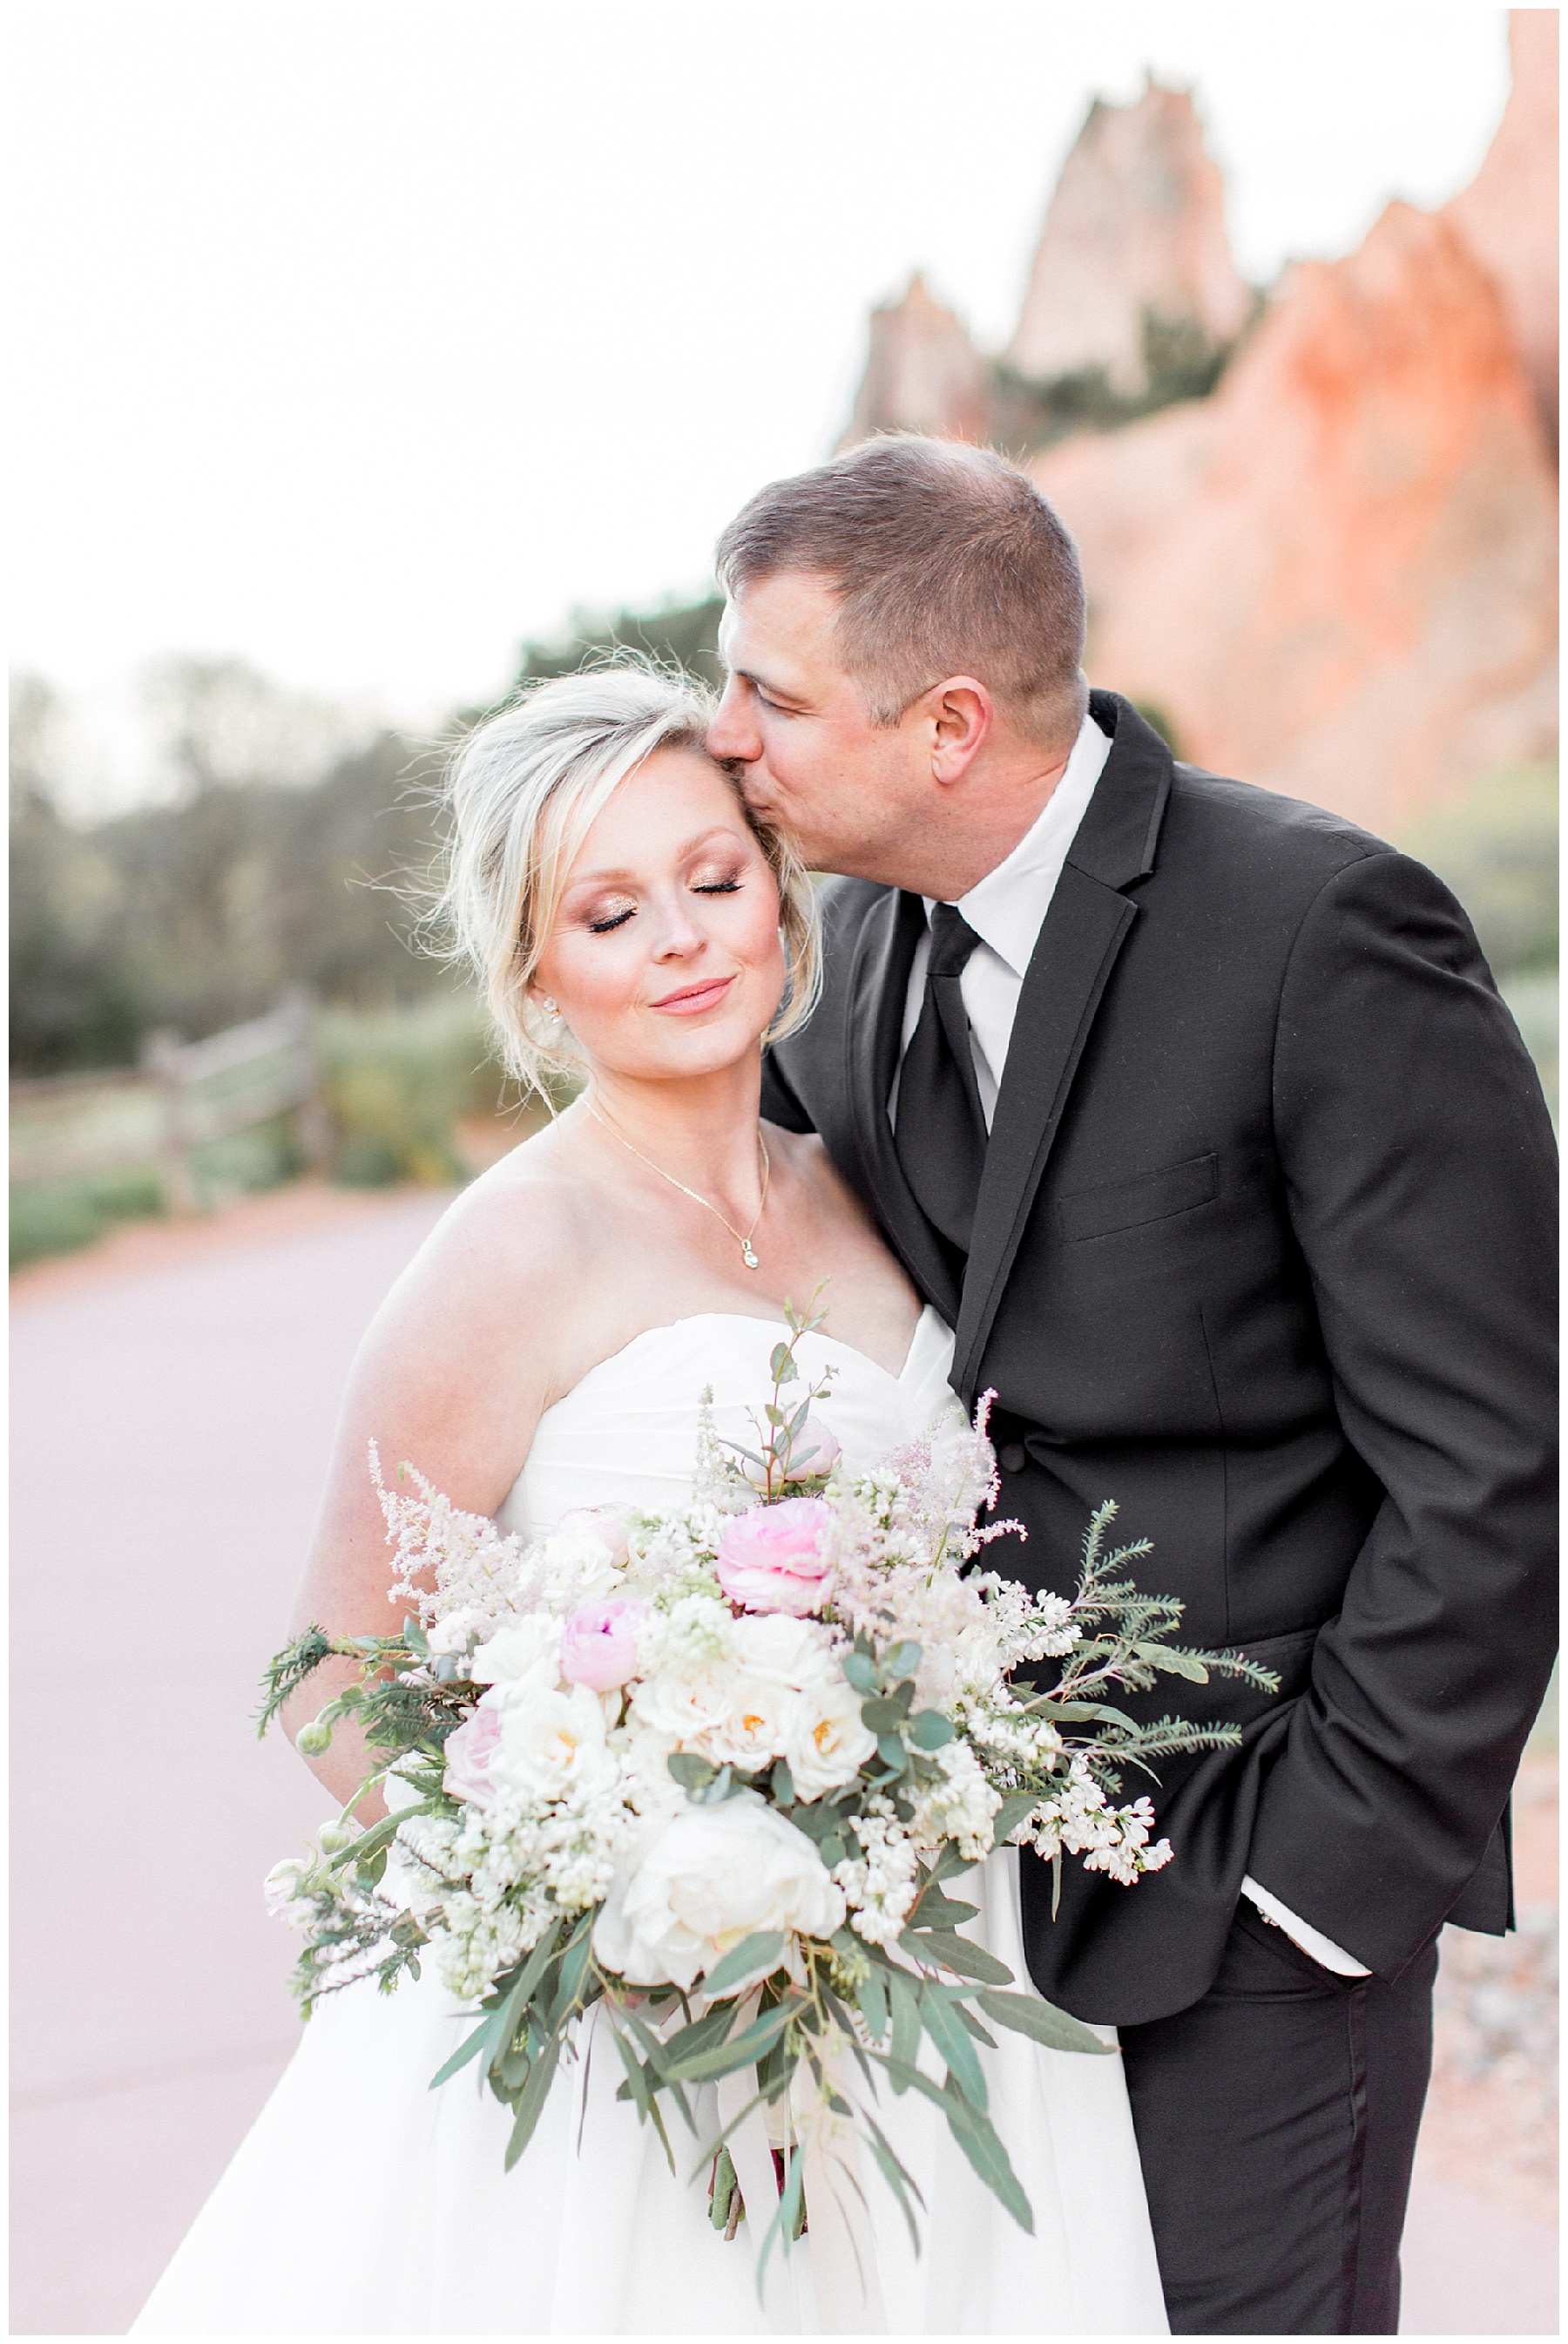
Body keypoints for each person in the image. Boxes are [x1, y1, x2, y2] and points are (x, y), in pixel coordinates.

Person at [132, 664, 1170, 2336]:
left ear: (780, 895)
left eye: (715, 879)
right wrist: (617, 1907)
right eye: (613, 912)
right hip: (653, 2026)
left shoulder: (877, 1185)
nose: (685, 938)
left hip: (945, 1978)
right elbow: (338, 1682)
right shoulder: (506, 1253)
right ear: (538, 973)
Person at [704, 432, 1558, 2335]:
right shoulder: (844, 969)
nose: (728, 739)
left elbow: (1491, 1466)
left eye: (766, 693)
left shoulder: (1324, 930)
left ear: (944, 726)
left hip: (1260, 1879)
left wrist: (1323, 1880)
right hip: (958, 1903)